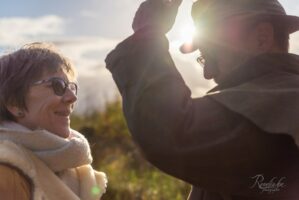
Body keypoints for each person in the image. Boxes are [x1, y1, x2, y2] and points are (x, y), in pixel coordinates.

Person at [106, 0, 299, 199]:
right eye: (203, 59)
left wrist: (147, 36)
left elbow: (172, 132)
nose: (208, 73)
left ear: (262, 38)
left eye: (212, 55)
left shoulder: (284, 99)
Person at [0, 42, 107, 200]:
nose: (72, 97)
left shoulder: (77, 170)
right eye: (58, 85)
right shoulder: (6, 175)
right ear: (14, 103)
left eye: (71, 87)